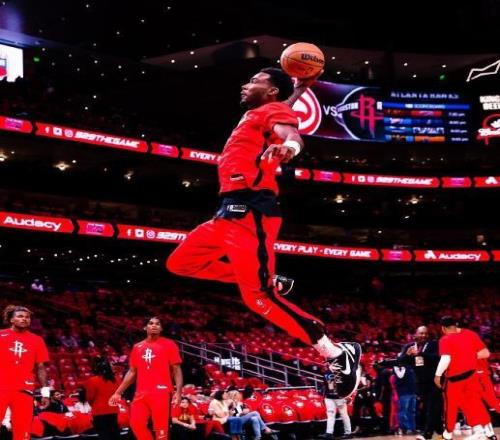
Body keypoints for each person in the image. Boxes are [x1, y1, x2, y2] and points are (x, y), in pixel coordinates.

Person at [166, 67, 361, 398]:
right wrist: (299, 90)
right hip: (225, 214)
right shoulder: (264, 110)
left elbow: (291, 133)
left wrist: (289, 148)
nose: (246, 84)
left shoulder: (272, 111)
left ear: (270, 92)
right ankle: (265, 278)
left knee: (258, 298)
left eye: (254, 80)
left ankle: (336, 353)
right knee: (180, 263)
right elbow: (281, 108)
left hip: (250, 212)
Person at [109, 317, 183, 440]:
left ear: (161, 328)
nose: (154, 326)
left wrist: (179, 392)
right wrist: (118, 392)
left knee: (161, 430)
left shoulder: (169, 344)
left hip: (161, 392)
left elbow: (177, 370)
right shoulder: (137, 347)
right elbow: (132, 372)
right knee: (136, 424)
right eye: (151, 323)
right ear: (145, 327)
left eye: (157, 324)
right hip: (141, 393)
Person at [435, 316, 491, 440]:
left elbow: (445, 359)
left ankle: (447, 434)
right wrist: (468, 357)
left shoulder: (445, 339)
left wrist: (437, 375)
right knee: (472, 404)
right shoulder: (469, 334)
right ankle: (480, 431)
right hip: (471, 376)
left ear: (443, 328)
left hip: (454, 380)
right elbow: (486, 353)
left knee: (450, 407)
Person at [0, 305, 50, 440]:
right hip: (1, 387)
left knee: (22, 432)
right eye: (20, 316)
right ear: (11, 319)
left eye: (27, 317)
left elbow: (41, 367)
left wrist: (45, 393)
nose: (24, 319)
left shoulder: (37, 340)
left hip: (24, 389)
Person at [397, 325, 442, 440]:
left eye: (425, 333)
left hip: (434, 381)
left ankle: (427, 434)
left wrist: (421, 354)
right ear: (416, 334)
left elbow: (437, 359)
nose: (424, 335)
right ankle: (441, 431)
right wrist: (407, 355)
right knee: (430, 408)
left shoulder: (433, 344)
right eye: (421, 333)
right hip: (420, 383)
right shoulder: (409, 347)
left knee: (432, 407)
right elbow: (400, 361)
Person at [84, 356, 120, 440]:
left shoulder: (92, 380)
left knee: (104, 435)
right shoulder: (116, 379)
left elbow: (90, 398)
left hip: (99, 411)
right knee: (114, 434)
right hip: (113, 410)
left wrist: (95, 405)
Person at [318, 362, 353, 439]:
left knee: (340, 415)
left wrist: (347, 396)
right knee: (338, 415)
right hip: (333, 397)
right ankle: (331, 433)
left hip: (336, 397)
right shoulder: (342, 373)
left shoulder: (329, 373)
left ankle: (345, 432)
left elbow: (330, 386)